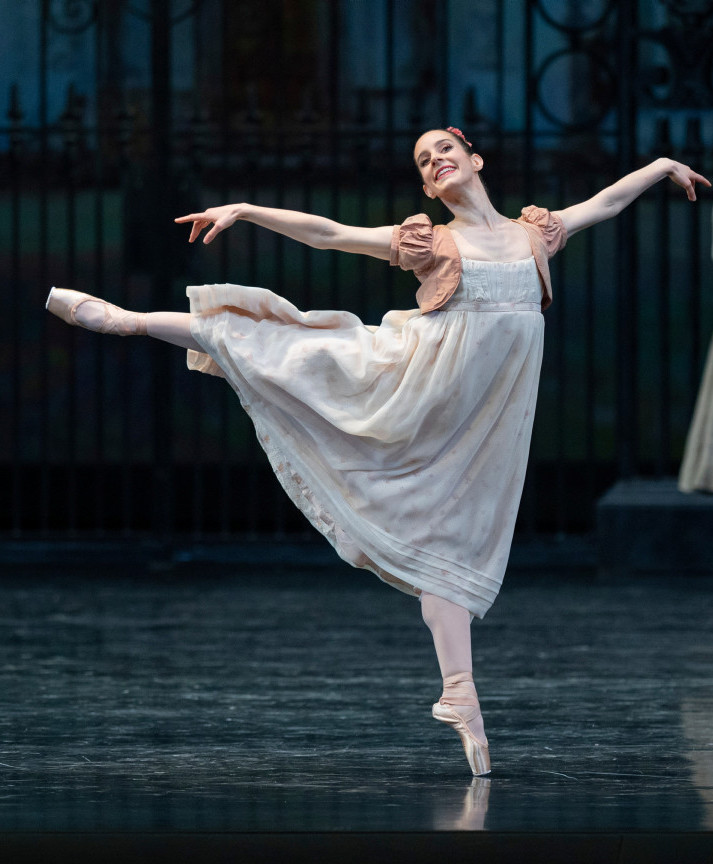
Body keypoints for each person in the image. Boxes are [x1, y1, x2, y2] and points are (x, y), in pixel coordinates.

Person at [45, 127, 710, 776]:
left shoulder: (534, 233)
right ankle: (129, 320)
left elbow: (605, 203)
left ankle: (460, 692)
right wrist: (246, 209)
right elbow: (330, 235)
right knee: (295, 347)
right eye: (424, 160)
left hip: (479, 420)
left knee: (451, 539)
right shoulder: (431, 242)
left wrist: (657, 166)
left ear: (473, 159)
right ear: (427, 184)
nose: (436, 160)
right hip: (410, 378)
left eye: (444, 148)